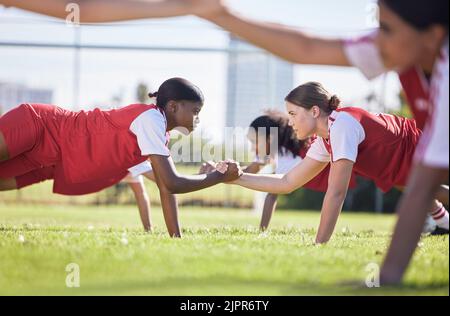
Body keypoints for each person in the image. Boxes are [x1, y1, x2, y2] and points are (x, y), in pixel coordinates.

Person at [0, 78, 243, 237]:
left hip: (49, 159)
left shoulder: (159, 133)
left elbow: (165, 188)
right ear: (173, 107)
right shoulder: (151, 119)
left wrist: (176, 239)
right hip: (40, 125)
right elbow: (172, 182)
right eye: (195, 111)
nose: (197, 119)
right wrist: (217, 177)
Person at [227, 82, 449, 246]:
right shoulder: (324, 140)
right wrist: (236, 178)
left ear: (315, 111)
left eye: (293, 114)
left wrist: (318, 245)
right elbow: (287, 182)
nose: (290, 121)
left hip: (423, 145)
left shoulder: (341, 126)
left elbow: (336, 193)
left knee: (424, 190)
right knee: (423, 190)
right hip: (402, 163)